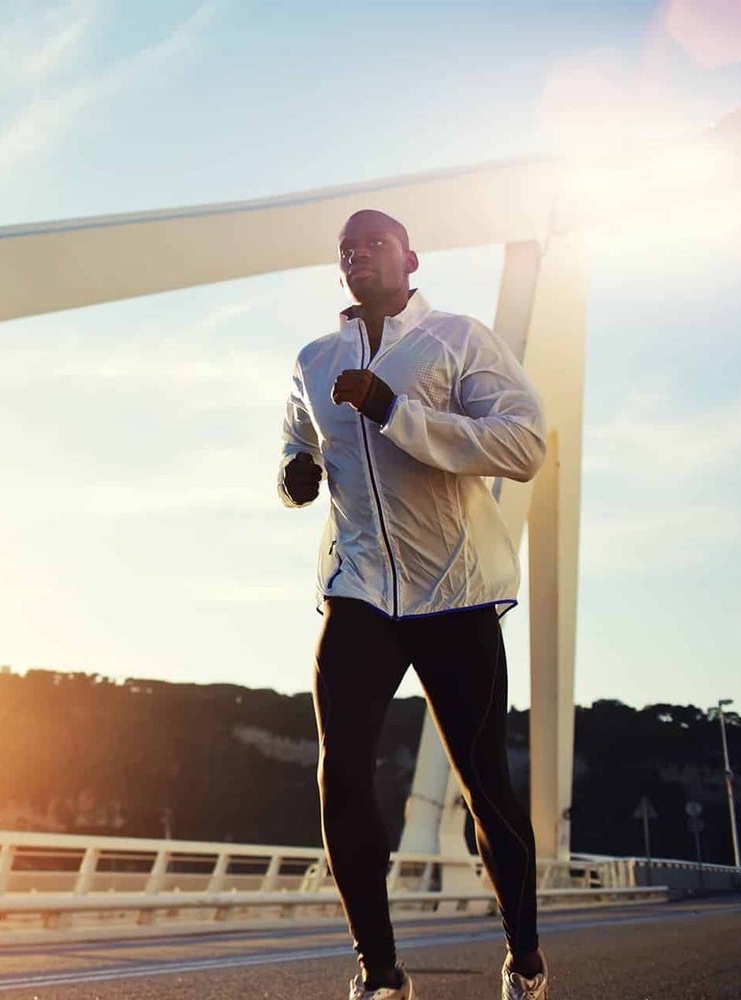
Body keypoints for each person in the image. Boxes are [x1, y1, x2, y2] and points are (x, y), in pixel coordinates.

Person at [277, 209, 551, 1000]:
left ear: (411, 259)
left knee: (483, 782)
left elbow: (524, 444)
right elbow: (297, 448)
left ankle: (525, 960)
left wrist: (395, 412)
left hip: (454, 593)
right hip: (358, 590)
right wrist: (292, 480)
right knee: (342, 778)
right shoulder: (313, 359)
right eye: (347, 249)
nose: (359, 255)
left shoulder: (458, 340)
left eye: (376, 245)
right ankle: (380, 971)